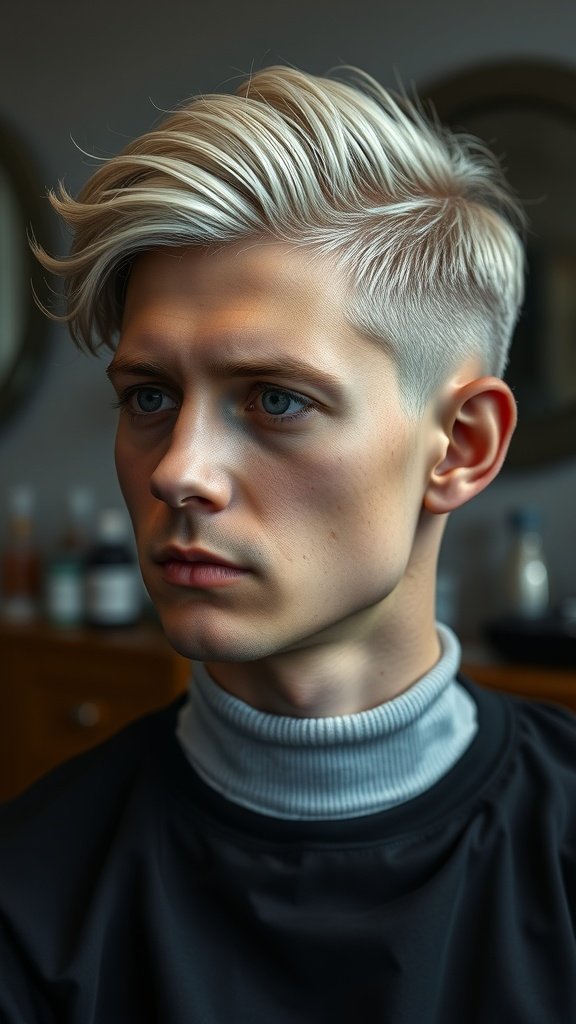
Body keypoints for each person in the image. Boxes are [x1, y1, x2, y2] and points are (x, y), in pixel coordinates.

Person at [1, 63, 575, 1024]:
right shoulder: (29, 899)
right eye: (150, 397)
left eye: (276, 400)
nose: (178, 471)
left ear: (461, 448)